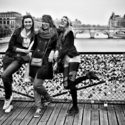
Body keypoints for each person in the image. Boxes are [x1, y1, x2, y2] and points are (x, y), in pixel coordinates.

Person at [1, 14, 36, 112]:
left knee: (4, 75)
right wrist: (24, 51)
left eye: (29, 22)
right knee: (8, 79)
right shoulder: (17, 31)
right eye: (26, 22)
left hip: (18, 59)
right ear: (23, 23)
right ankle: (9, 105)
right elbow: (11, 46)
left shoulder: (34, 35)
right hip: (8, 57)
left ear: (32, 23)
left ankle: (8, 98)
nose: (28, 23)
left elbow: (34, 48)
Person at [29, 14, 58, 118]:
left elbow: (58, 46)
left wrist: (54, 51)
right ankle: (38, 106)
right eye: (43, 21)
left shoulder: (54, 34)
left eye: (46, 22)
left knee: (37, 84)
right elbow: (33, 46)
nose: (44, 23)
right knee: (34, 85)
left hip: (46, 61)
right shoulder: (37, 33)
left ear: (50, 23)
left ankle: (47, 97)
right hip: (35, 60)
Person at [53, 16, 80, 115]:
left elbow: (65, 48)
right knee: (67, 84)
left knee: (71, 83)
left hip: (73, 58)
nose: (63, 21)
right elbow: (57, 42)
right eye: (62, 20)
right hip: (66, 60)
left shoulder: (70, 33)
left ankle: (75, 107)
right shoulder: (62, 33)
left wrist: (56, 62)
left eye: (65, 20)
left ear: (68, 22)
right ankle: (88, 76)